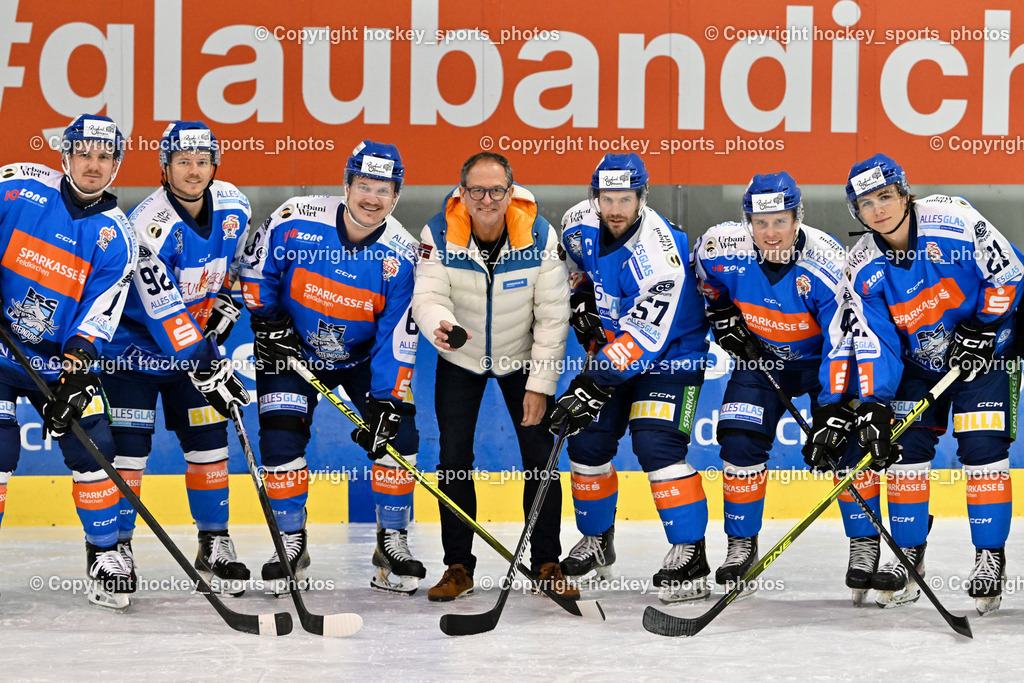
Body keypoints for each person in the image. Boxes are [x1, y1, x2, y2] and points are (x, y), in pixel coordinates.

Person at [240, 140, 423, 595]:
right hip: (291, 352)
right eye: (364, 185)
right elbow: (254, 270)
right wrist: (267, 321)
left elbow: (397, 336)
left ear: (396, 195)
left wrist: (388, 400)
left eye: (384, 189)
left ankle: (391, 541)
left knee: (399, 436)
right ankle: (290, 541)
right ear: (345, 185)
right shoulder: (295, 217)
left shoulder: (402, 255)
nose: (372, 197)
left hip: (360, 359)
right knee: (281, 438)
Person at [843, 153, 1023, 613]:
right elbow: (877, 341)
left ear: (905, 193)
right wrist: (876, 401)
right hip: (919, 369)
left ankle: (989, 558)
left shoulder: (955, 220)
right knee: (903, 451)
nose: (878, 209)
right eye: (866, 203)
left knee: (983, 449)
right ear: (856, 213)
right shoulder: (861, 265)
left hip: (985, 356)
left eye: (886, 196)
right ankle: (909, 558)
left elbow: (1009, 272)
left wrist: (986, 326)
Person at [693, 172, 865, 600]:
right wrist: (722, 315)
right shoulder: (720, 247)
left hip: (825, 361)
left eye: (781, 222)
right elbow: (706, 282)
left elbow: (844, 341)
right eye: (760, 222)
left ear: (797, 218)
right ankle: (741, 545)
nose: (771, 233)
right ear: (747, 221)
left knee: (846, 446)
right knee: (738, 440)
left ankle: (864, 543)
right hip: (761, 360)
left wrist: (835, 409)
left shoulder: (827, 266)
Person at [100, 121, 253, 595]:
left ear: (214, 165)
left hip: (193, 348)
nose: (193, 171)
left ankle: (214, 541)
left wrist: (229, 300)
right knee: (128, 456)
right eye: (183, 162)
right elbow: (160, 307)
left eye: (202, 162)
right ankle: (118, 547)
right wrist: (206, 360)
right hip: (134, 354)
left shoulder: (235, 205)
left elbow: (240, 264)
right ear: (164, 167)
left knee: (210, 450)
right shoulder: (148, 224)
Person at [550, 153, 710, 604]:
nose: (615, 208)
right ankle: (597, 542)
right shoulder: (578, 222)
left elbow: (644, 336)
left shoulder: (661, 256)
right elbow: (577, 268)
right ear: (594, 197)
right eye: (607, 198)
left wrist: (593, 382)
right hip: (613, 352)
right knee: (585, 439)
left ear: (643, 198)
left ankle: (691, 554)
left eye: (625, 198)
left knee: (656, 444)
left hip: (672, 358)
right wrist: (581, 299)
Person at [412, 152, 572, 602]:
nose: (486, 199)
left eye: (496, 190)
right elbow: (427, 295)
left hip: (521, 358)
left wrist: (540, 384)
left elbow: (553, 317)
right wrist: (440, 324)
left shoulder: (539, 235)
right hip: (461, 357)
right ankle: (458, 566)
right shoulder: (438, 233)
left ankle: (546, 562)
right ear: (461, 193)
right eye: (477, 190)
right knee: (453, 459)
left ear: (510, 192)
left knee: (541, 458)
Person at [0, 114, 137, 608]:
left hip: (55, 361)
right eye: (85, 154)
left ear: (116, 163)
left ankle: (103, 554)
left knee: (94, 444)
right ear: (66, 155)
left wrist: (76, 369)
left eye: (105, 157)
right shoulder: (17, 187)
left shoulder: (118, 235)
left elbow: (99, 314)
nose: (94, 165)